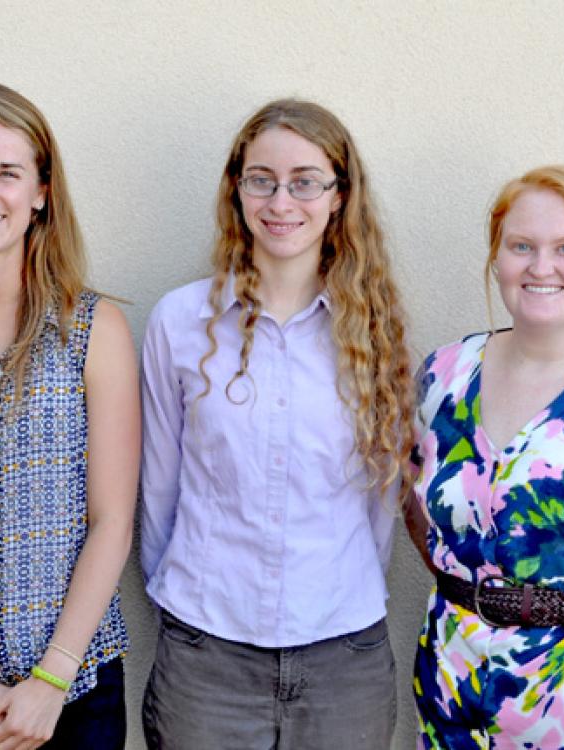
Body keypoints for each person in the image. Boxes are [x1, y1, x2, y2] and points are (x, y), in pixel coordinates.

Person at [141, 98, 414, 750]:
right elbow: (158, 493)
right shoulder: (178, 323)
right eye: (262, 178)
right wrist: (195, 608)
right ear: (237, 188)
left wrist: (330, 594)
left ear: (339, 195)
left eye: (306, 181)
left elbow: (381, 504)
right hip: (207, 656)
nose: (281, 201)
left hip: (342, 658)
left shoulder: (377, 335)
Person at [407, 165, 564, 749]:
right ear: (497, 257)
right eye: (522, 246)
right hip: (450, 685)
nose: (542, 267)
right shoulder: (444, 375)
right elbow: (415, 503)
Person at [0, 83, 140, 749]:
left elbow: (111, 517)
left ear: (40, 191)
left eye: (6, 173)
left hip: (72, 686)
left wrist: (50, 680)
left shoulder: (92, 328)